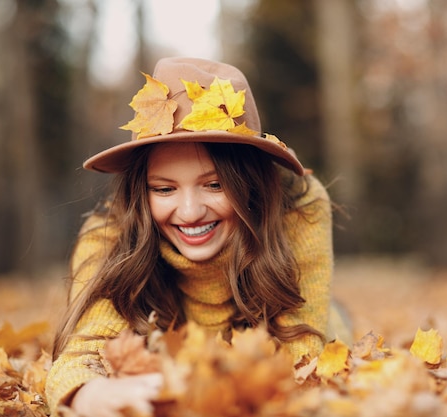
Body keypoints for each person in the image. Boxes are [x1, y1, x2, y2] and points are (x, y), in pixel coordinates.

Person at [45, 56, 348, 417]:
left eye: (214, 184)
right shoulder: (110, 233)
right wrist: (89, 394)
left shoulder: (298, 206)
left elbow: (304, 354)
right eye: (164, 189)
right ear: (142, 191)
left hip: (326, 320)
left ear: (249, 184)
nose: (189, 212)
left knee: (336, 319)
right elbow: (83, 350)